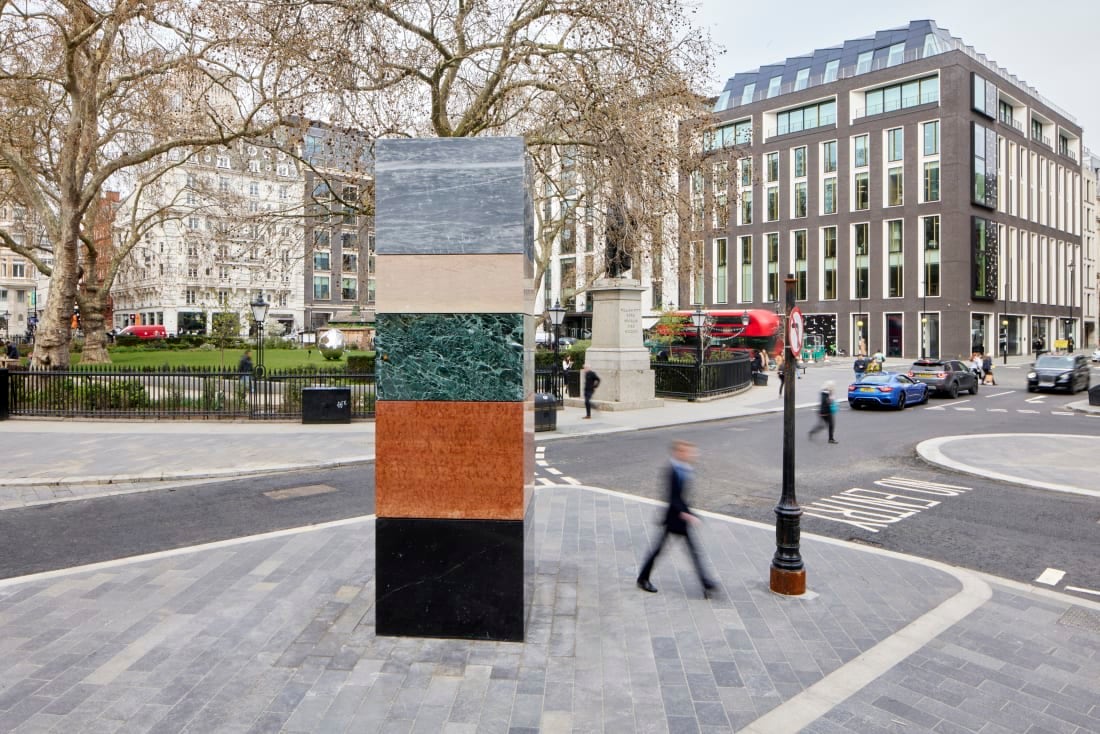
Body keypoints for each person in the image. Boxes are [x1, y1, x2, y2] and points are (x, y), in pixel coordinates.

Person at [637, 440, 717, 599]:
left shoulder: (685, 469)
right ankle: (643, 578)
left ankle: (705, 583)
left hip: (680, 519)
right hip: (673, 519)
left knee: (693, 551)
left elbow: (682, 497)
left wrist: (689, 513)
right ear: (679, 453)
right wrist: (686, 514)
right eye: (688, 452)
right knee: (659, 551)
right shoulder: (672, 470)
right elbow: (672, 497)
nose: (692, 455)